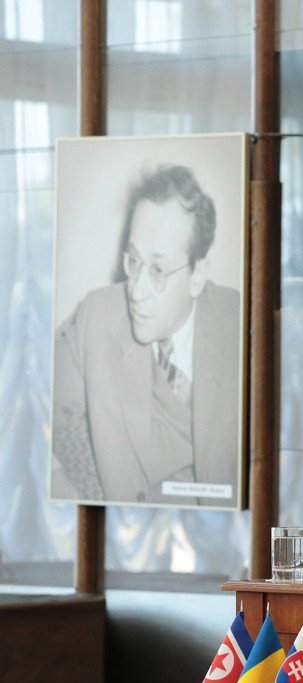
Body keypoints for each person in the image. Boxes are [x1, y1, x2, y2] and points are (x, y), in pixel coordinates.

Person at [52, 164, 241, 506]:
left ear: (197, 276)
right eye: (134, 261)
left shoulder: (240, 326)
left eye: (157, 270)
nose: (136, 291)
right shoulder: (95, 317)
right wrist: (100, 499)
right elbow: (40, 406)